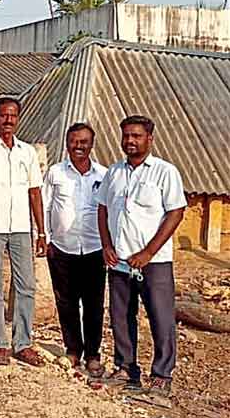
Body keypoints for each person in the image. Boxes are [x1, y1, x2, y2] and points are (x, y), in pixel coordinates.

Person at [97, 115, 186, 407]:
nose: (130, 141)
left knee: (161, 318)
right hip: (120, 260)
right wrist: (107, 245)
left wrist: (148, 252)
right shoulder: (113, 172)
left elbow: (175, 213)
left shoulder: (165, 172)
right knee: (121, 318)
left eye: (136, 136)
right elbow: (102, 208)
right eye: (126, 136)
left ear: (150, 139)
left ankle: (162, 376)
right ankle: (126, 370)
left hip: (154, 262)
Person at [0, 97, 47, 367]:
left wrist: (41, 231)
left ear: (19, 118)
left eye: (13, 116)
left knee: (25, 285)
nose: (8, 120)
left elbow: (35, 192)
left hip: (22, 229)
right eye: (4, 115)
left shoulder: (27, 152)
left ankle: (23, 342)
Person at [42, 123, 107, 375]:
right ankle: (72, 350)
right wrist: (45, 238)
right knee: (66, 302)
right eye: (73, 141)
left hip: (94, 249)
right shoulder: (55, 173)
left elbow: (109, 211)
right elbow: (46, 207)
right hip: (61, 248)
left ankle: (92, 354)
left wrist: (108, 245)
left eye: (84, 142)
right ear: (67, 143)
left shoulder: (103, 175)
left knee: (93, 304)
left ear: (91, 144)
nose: (78, 146)